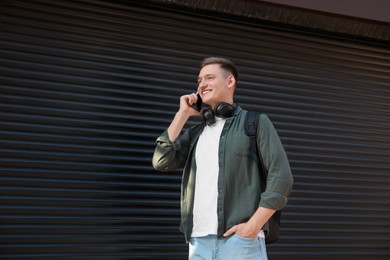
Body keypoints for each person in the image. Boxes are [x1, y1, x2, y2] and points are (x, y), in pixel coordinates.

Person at [152, 57, 293, 260]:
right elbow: (162, 161)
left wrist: (253, 227)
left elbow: (282, 177)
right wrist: (182, 114)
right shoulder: (196, 133)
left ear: (230, 81)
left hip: (241, 242)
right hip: (198, 241)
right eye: (199, 80)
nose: (202, 84)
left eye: (209, 77)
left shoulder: (255, 122)